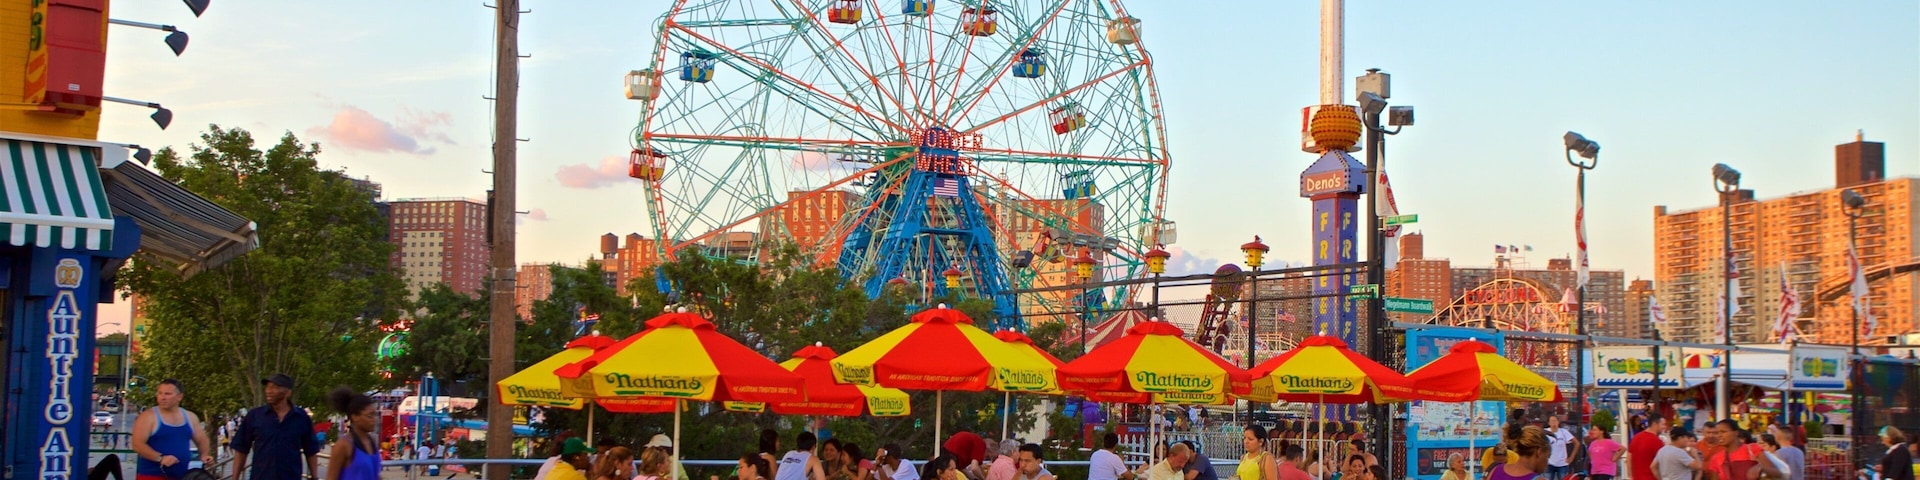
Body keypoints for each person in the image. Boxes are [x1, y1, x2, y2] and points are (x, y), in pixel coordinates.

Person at [231, 373, 321, 480]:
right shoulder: (255, 416)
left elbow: (311, 450)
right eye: (268, 387)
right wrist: (235, 477)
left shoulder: (301, 418)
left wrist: (314, 477)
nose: (269, 391)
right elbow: (241, 449)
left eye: (275, 387)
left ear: (288, 392)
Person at [132, 379, 215, 480]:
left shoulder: (190, 417)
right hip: (152, 475)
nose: (163, 397)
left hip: (182, 475)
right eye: (160, 393)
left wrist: (204, 455)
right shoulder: (147, 417)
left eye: (167, 394)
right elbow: (137, 444)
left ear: (179, 397)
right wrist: (160, 458)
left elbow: (202, 439)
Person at [320, 388, 381, 480]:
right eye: (370, 415)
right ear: (355, 417)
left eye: (375, 415)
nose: (374, 419)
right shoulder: (343, 445)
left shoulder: (371, 441)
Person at [1708, 421, 1781, 480]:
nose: (1719, 435)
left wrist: (1760, 467)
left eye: (1723, 432)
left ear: (1736, 433)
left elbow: (1777, 473)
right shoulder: (1716, 458)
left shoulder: (1752, 449)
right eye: (1717, 433)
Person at [1630, 415, 1672, 480]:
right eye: (1663, 424)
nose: (1665, 427)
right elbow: (1664, 463)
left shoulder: (1636, 438)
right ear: (1655, 424)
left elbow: (1629, 457)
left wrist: (1630, 476)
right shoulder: (1657, 441)